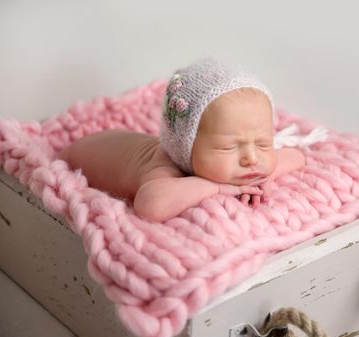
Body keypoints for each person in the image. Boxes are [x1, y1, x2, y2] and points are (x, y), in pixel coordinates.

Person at [60, 58, 305, 222]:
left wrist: (264, 176)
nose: (252, 158)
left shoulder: (250, 157)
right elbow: (150, 205)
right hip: (87, 151)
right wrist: (218, 187)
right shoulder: (164, 167)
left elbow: (295, 156)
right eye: (228, 147)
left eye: (263, 143)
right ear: (187, 148)